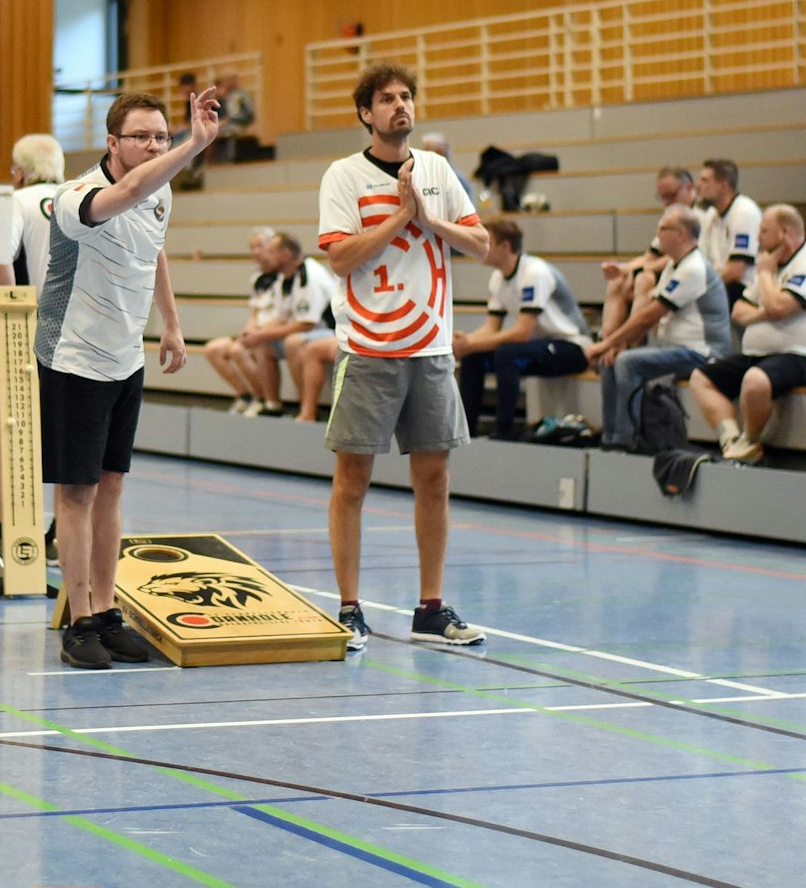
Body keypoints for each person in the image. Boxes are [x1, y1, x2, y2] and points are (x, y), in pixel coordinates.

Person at [39, 88, 219, 669]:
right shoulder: (76, 197)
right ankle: (79, 620)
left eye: (162, 136)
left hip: (125, 358)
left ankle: (106, 608)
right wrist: (195, 144)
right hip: (73, 359)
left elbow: (154, 250)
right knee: (78, 492)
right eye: (141, 136)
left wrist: (172, 324)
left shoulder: (160, 190)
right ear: (112, 143)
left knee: (112, 486)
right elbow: (129, 194)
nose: (154, 146)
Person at [318, 63, 491, 650]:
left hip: (432, 347)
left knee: (434, 479)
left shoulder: (438, 170)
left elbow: (480, 244)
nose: (401, 105)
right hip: (368, 348)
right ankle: (349, 608)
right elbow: (340, 259)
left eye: (407, 96)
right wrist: (399, 216)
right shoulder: (343, 176)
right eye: (388, 98)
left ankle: (431, 609)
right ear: (366, 113)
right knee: (352, 481)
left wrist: (429, 218)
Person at [690, 205, 806, 463]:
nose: (758, 237)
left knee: (755, 380)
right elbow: (739, 311)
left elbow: (778, 307)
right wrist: (767, 309)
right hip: (763, 355)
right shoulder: (773, 265)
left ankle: (751, 440)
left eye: (763, 231)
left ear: (785, 233)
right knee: (701, 378)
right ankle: (731, 438)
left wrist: (764, 276)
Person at [0, 132, 67, 558]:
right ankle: (61, 533)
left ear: (19, 171)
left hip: (33, 332)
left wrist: (11, 309)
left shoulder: (15, 201)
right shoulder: (78, 197)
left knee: (2, 429)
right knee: (67, 434)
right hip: (79, 334)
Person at [586, 206, 730, 451]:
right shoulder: (674, 266)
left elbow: (649, 316)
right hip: (676, 349)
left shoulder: (693, 268)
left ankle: (625, 441)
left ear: (681, 234)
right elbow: (647, 317)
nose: (657, 235)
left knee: (627, 362)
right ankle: (609, 438)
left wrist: (606, 343)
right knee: (611, 361)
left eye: (663, 228)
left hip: (703, 353)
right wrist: (617, 346)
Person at [455, 220, 590, 440]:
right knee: (474, 357)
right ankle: (466, 430)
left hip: (572, 347)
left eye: (486, 241)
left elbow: (522, 333)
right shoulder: (498, 278)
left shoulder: (534, 273)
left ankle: (503, 431)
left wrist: (470, 343)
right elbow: (491, 327)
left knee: (506, 354)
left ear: (505, 246)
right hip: (538, 346)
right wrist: (466, 342)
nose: (479, 246)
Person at [234, 232, 337, 419]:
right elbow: (281, 318)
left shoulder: (310, 275)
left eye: (272, 251)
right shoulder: (283, 278)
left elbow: (306, 325)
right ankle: (272, 404)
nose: (267, 256)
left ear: (286, 254)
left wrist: (262, 334)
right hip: (307, 331)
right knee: (260, 344)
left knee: (292, 342)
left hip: (329, 331)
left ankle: (307, 411)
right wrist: (255, 333)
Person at [597, 168, 701, 348]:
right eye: (662, 197)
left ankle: (628, 343)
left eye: (671, 195)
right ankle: (607, 341)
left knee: (643, 279)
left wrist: (641, 269)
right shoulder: (671, 216)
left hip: (685, 278)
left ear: (689, 188)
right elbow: (651, 256)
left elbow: (678, 257)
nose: (667, 202)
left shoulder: (697, 217)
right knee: (618, 280)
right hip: (669, 270)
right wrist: (623, 269)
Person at [204, 227, 282, 415]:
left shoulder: (285, 275)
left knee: (238, 350)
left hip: (272, 333)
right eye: (252, 247)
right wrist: (247, 331)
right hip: (256, 331)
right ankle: (245, 396)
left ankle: (262, 400)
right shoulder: (257, 277)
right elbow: (255, 311)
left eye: (260, 246)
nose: (255, 251)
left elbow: (283, 315)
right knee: (213, 349)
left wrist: (257, 333)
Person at [696, 160, 762, 308]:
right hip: (720, 282)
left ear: (723, 186)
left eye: (705, 181)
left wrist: (699, 289)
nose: (698, 186)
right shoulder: (711, 215)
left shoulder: (744, 212)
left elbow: (735, 271)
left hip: (743, 287)